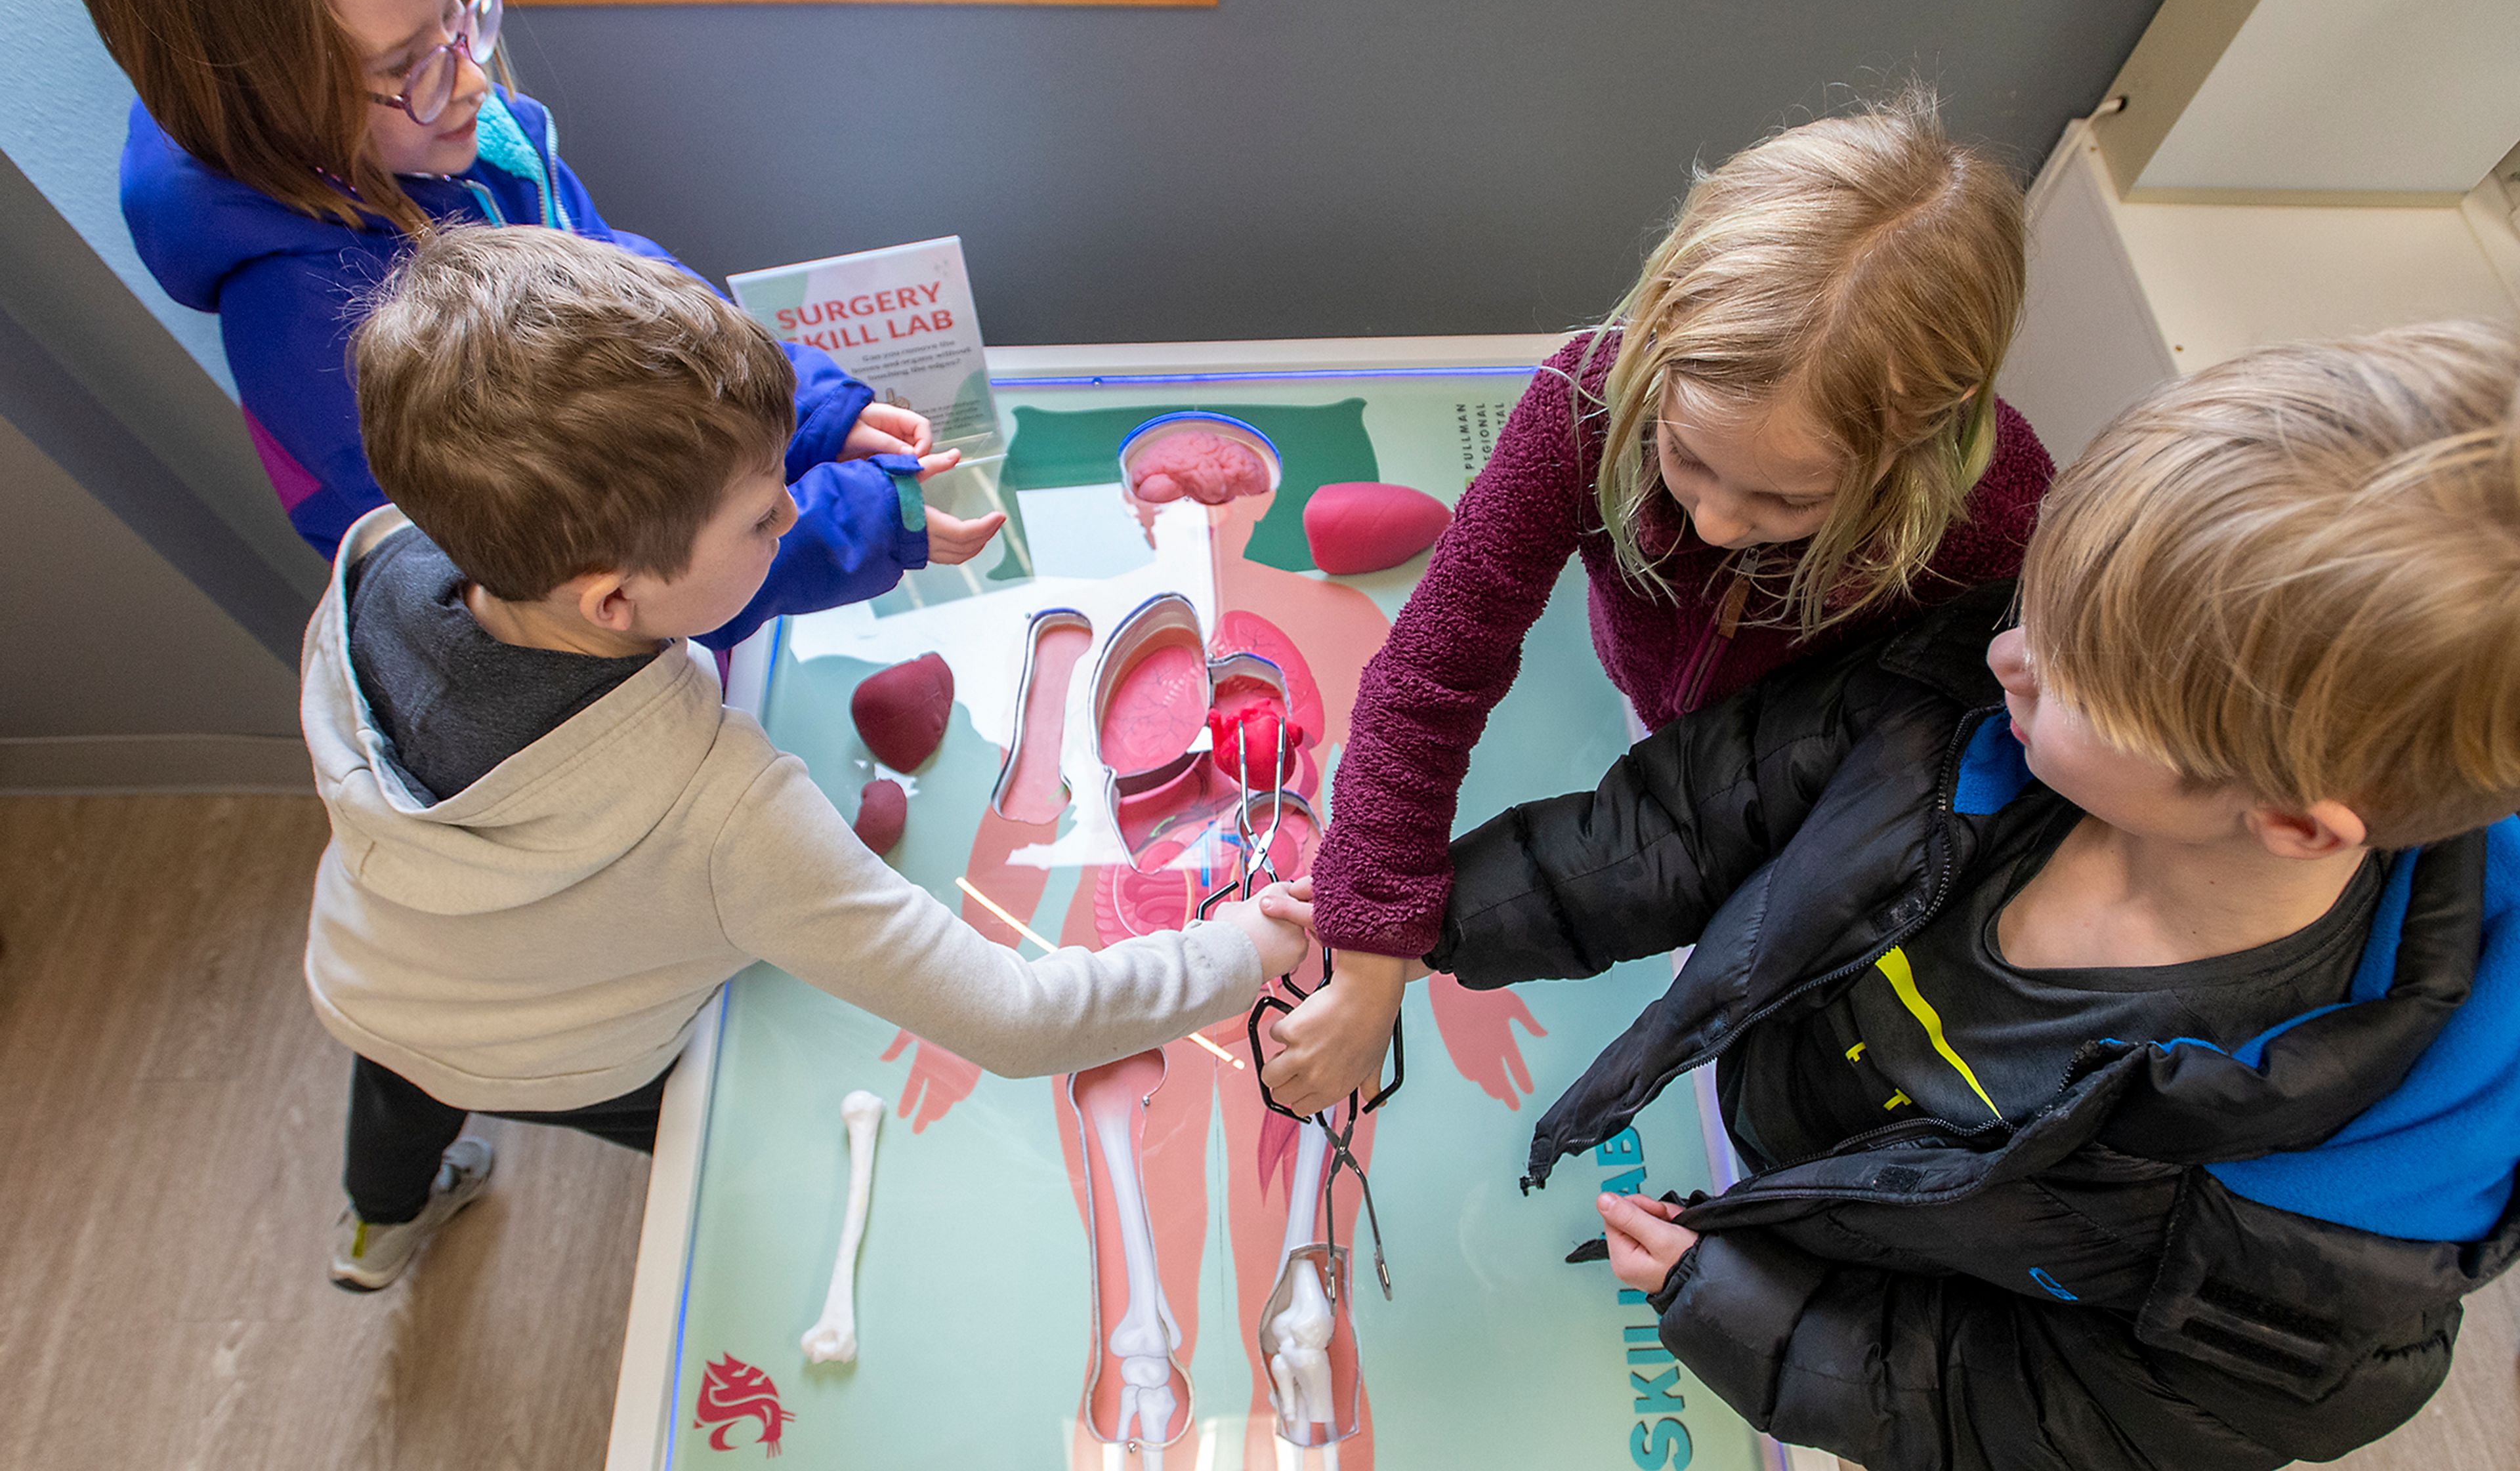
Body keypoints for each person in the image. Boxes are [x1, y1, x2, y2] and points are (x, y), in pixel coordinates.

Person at [1406, 324, 2520, 1470]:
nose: (2007, 652)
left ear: (2291, 820)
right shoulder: (1984, 689)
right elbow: (1689, 819)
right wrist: (1426, 912)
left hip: (1854, 1298)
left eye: (2078, 673)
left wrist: (1740, 1306)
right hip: (1778, 1122)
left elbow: (2061, 1413)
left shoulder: (2330, 1241)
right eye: (2040, 597)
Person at [307, 224, 1305, 1290]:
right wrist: (1242, 948)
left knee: (408, 1079)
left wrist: (811, 434)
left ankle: (379, 1223)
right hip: (564, 1051)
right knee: (713, 1133)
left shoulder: (386, 560)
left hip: (374, 976)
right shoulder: (727, 813)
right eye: (761, 515)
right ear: (613, 599)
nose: (795, 508)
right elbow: (1014, 1019)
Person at [40, 0, 1001, 647]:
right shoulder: (331, 355)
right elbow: (600, 579)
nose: (469, 78)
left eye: (459, 14)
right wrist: (858, 525)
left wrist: (802, 408)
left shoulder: (449, 131)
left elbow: (625, 289)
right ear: (266, 106)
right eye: (406, 66)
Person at [1266, 89, 2054, 1116]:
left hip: (1798, 774)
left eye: (1788, 499)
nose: (1721, 521)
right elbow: (1430, 673)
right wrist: (1370, 945)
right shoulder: (1581, 406)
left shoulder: (1992, 517)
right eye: (1687, 457)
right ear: (1662, 332)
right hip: (1649, 706)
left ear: (1918, 443)